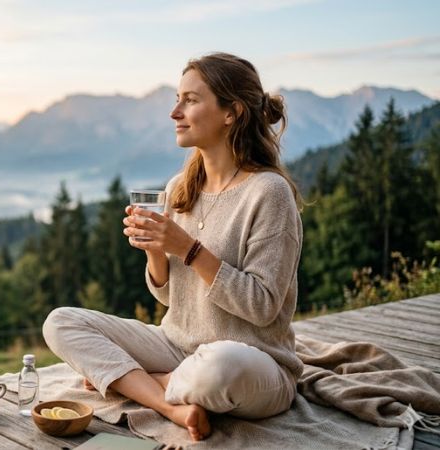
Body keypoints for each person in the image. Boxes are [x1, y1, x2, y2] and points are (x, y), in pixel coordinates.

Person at [42, 52, 304, 442]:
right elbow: (169, 296)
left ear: (231, 112)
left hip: (253, 362)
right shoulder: (179, 188)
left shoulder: (268, 193)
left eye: (190, 100)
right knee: (61, 322)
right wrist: (155, 252)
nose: (174, 112)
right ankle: (169, 404)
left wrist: (190, 249)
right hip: (175, 344)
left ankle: (137, 381)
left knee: (219, 368)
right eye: (177, 98)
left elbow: (263, 307)